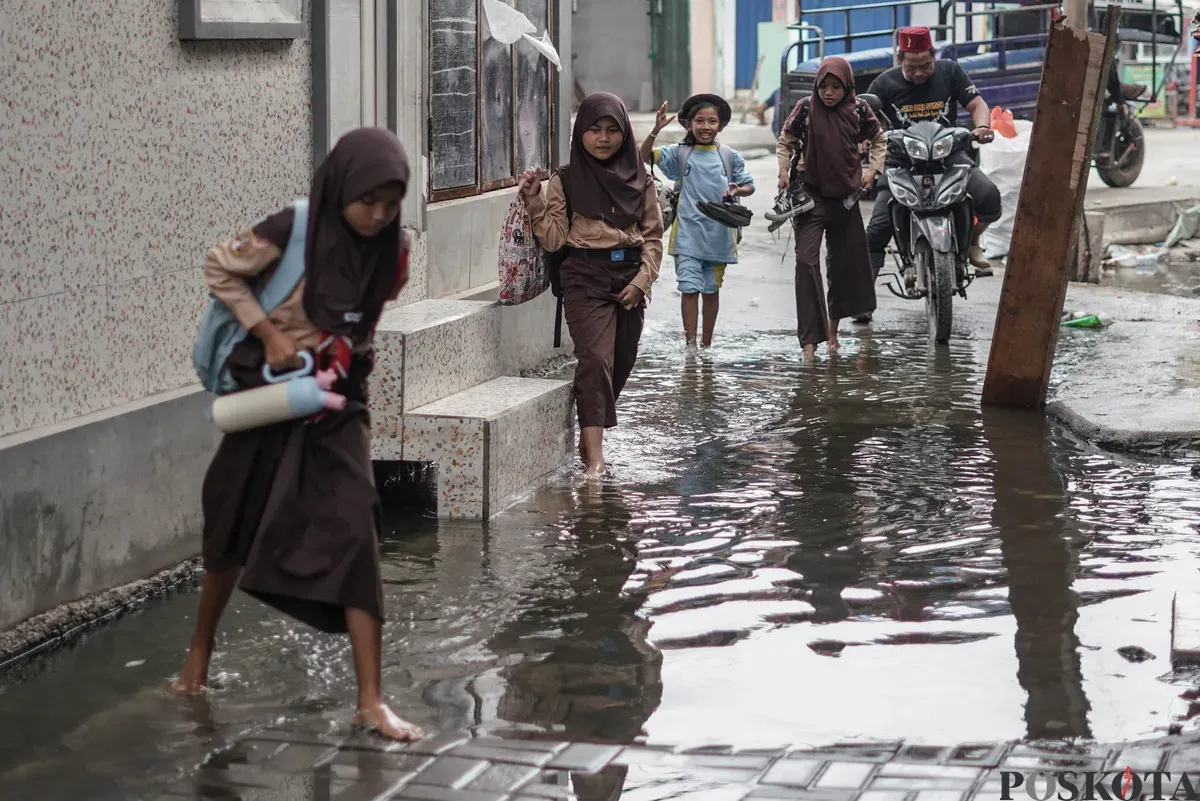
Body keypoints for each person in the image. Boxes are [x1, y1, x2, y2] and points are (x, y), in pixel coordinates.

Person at [171, 127, 424, 743]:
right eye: (368, 201)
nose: (378, 215)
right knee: (230, 524)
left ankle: (370, 701)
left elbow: (372, 309)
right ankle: (198, 658)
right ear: (341, 187)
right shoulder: (295, 228)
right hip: (267, 397)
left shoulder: (391, 245)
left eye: (391, 204)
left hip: (337, 405)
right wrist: (271, 333)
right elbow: (218, 267)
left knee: (357, 531)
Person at [518, 93, 663, 477]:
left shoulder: (641, 179)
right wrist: (535, 202)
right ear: (580, 133)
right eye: (594, 129)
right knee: (595, 359)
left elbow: (652, 237)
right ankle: (595, 457)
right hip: (584, 277)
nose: (603, 138)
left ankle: (589, 431)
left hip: (631, 277)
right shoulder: (564, 180)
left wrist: (642, 280)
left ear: (624, 133)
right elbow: (552, 240)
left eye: (612, 130)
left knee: (621, 363)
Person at [864, 26, 1001, 317]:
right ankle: (862, 300)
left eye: (925, 65)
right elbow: (866, 120)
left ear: (933, 57)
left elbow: (977, 104)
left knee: (989, 198)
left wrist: (982, 126)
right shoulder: (883, 84)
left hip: (949, 156)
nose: (918, 73)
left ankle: (972, 244)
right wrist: (865, 142)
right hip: (901, 162)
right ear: (899, 58)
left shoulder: (950, 72)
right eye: (911, 67)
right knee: (876, 231)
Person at [776, 57, 885, 359]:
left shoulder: (860, 109)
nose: (828, 93)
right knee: (805, 262)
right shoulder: (806, 108)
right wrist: (784, 170)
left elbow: (878, 139)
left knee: (841, 266)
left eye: (836, 87)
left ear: (847, 86)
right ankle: (810, 342)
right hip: (810, 198)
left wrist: (872, 171)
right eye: (824, 86)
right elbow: (786, 139)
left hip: (846, 200)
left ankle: (832, 334)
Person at [638, 94, 754, 351]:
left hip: (719, 238)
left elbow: (749, 186)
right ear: (688, 125)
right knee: (689, 289)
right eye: (699, 121)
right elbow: (640, 156)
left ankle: (707, 345)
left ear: (720, 126)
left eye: (712, 121)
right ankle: (691, 346)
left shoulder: (729, 156)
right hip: (687, 237)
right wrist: (655, 131)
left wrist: (737, 190)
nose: (706, 126)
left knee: (711, 291)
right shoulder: (680, 154)